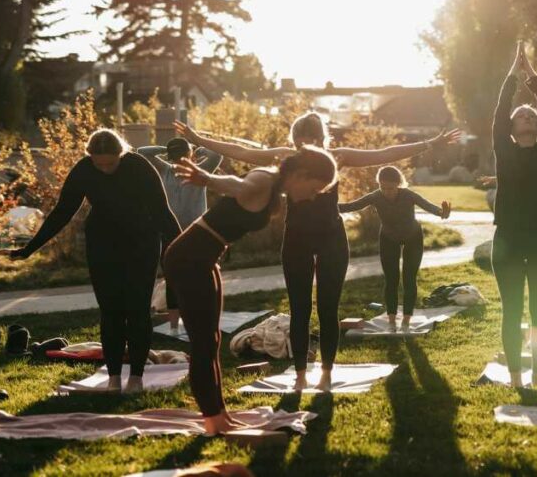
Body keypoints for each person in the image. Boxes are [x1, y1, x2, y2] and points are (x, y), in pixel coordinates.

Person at [174, 116, 461, 391]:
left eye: (310, 141)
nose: (304, 147)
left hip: (332, 240)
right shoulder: (286, 159)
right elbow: (242, 152)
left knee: (327, 309)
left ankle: (326, 373)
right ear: (294, 141)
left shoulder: (337, 157)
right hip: (297, 239)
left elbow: (383, 153)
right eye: (299, 142)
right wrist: (199, 139)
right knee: (299, 310)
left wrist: (428, 144)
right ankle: (300, 375)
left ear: (321, 139)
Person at [164, 146, 337, 435]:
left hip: (204, 258)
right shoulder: (265, 182)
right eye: (316, 188)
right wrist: (207, 179)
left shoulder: (275, 187)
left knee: (213, 340)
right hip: (188, 259)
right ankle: (212, 420)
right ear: (302, 174)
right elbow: (238, 185)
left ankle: (220, 414)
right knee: (204, 343)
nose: (313, 196)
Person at [5, 129, 181, 393]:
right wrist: (28, 249)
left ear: (121, 154)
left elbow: (162, 211)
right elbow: (62, 212)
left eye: (111, 163)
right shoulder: (84, 170)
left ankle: (136, 377)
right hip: (102, 245)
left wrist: (183, 248)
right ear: (90, 158)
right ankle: (112, 378)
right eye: (99, 164)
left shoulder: (139, 167)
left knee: (137, 309)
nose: (105, 168)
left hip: (141, 244)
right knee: (110, 311)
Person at [492, 42, 537, 389]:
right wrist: (511, 75)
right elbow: (497, 114)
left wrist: (533, 79)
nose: (527, 116)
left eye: (531, 117)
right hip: (506, 238)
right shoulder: (503, 150)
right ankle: (516, 378)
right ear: (510, 127)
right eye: (521, 115)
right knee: (510, 311)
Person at [339, 166, 451, 330]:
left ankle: (406, 318)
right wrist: (325, 205)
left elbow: (428, 206)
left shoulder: (408, 195)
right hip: (388, 238)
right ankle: (391, 318)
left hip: (413, 237)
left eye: (390, 188)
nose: (386, 192)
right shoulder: (376, 196)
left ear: (398, 184)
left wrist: (442, 212)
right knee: (391, 279)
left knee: (409, 278)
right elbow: (352, 206)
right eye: (382, 187)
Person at [138, 137, 223, 333]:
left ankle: (202, 319)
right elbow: (141, 152)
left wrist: (196, 150)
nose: (178, 161)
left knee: (201, 275)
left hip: (197, 232)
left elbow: (217, 155)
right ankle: (175, 327)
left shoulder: (200, 173)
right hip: (170, 232)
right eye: (175, 157)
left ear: (188, 155)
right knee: (172, 277)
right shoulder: (165, 170)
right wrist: (167, 148)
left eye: (181, 156)